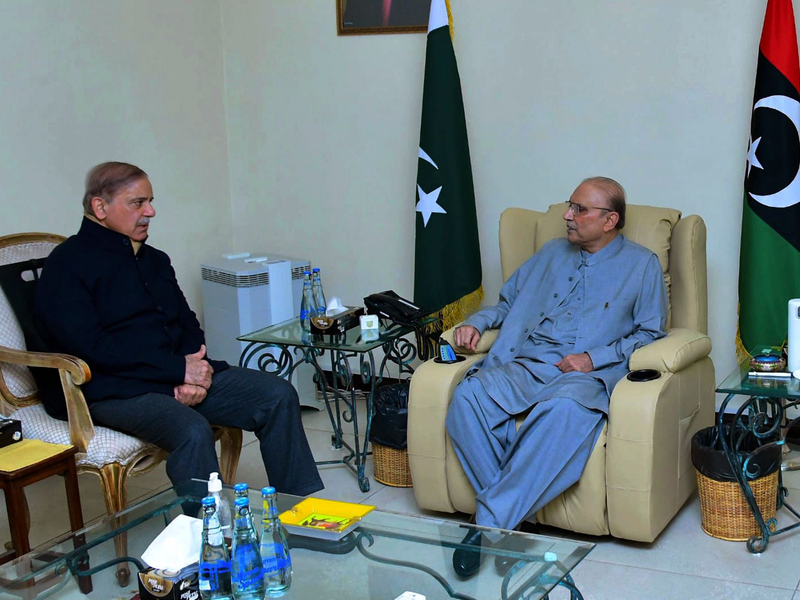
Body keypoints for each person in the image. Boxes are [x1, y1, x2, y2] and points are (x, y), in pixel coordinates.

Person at [35, 162, 323, 499]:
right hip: (112, 390)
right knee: (191, 429)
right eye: (137, 203)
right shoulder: (66, 265)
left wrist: (193, 374)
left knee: (277, 395)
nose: (150, 212)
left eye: (150, 201)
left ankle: (297, 509)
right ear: (100, 207)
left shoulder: (154, 259)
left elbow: (187, 324)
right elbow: (92, 348)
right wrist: (175, 373)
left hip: (173, 373)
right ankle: (211, 527)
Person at [446, 177, 667, 577]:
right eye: (570, 205)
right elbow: (507, 303)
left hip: (583, 376)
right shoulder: (550, 253)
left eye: (579, 209)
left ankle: (486, 527)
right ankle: (509, 530)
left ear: (609, 220)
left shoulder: (642, 265)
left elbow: (651, 333)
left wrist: (594, 358)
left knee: (563, 409)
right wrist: (477, 322)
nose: (568, 215)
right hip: (524, 363)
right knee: (467, 397)